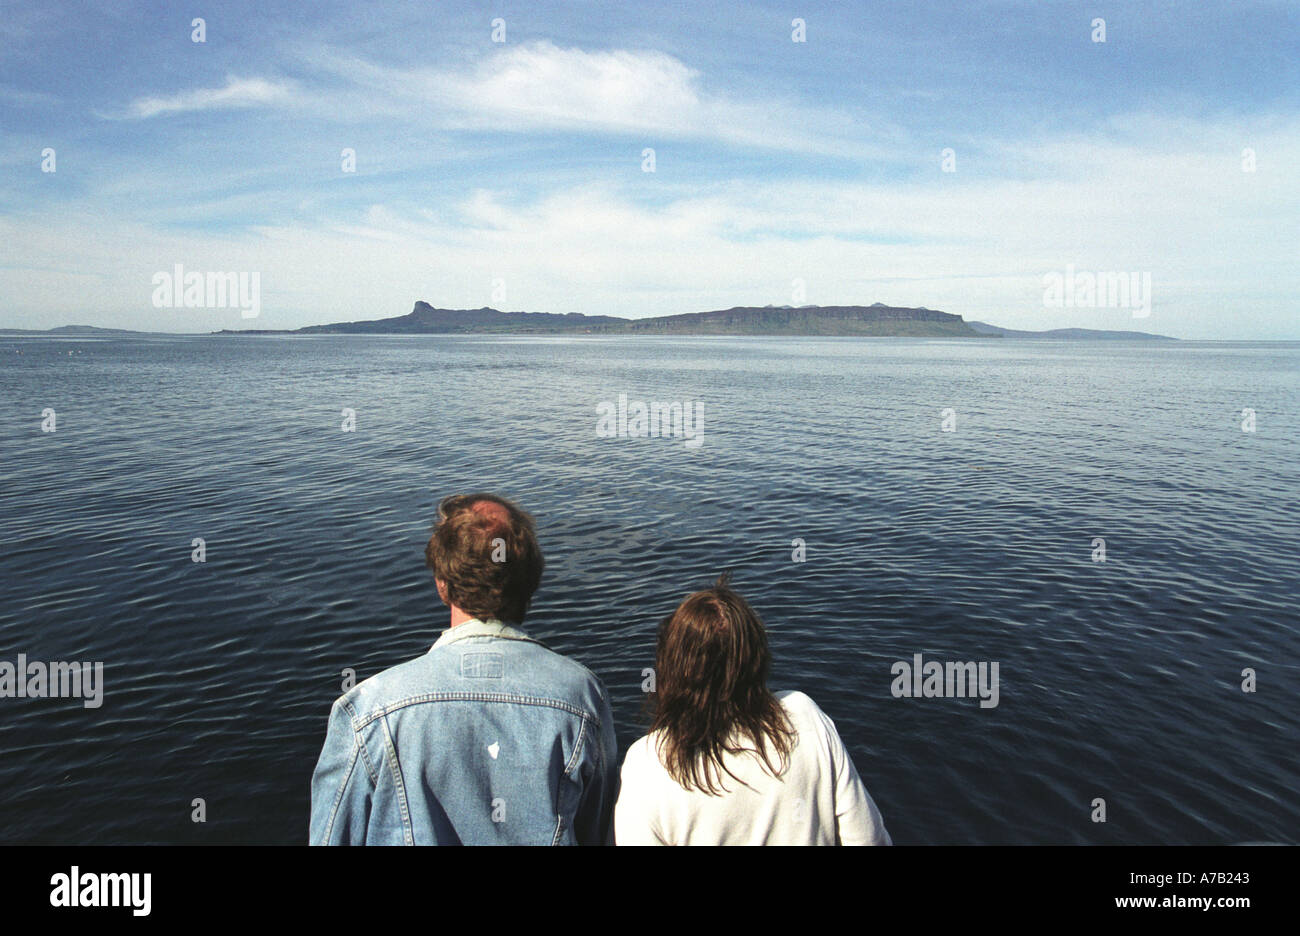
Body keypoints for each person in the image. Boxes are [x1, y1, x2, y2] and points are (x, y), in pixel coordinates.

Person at [309, 493, 618, 845]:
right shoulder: (584, 696)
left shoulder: (367, 709)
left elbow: (331, 836)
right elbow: (598, 829)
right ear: (531, 581)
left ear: (442, 584)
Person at [614, 575, 891, 845]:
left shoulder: (647, 764)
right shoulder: (805, 715)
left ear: (671, 666)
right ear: (757, 658)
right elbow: (868, 838)